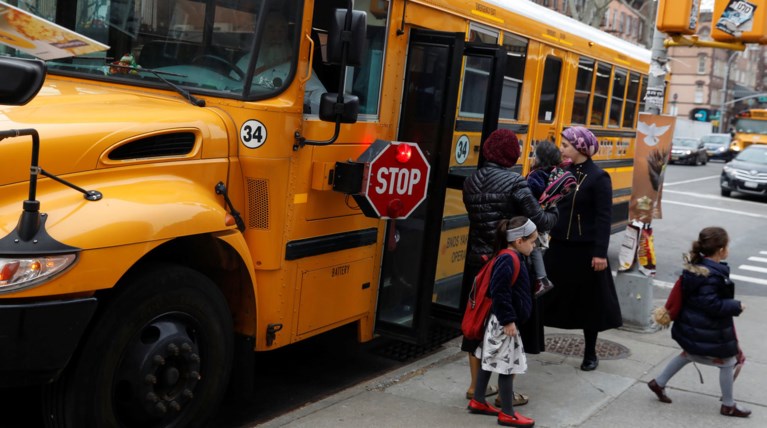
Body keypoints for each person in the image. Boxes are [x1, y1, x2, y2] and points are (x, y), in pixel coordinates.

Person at [462, 129, 559, 406]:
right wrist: (554, 209)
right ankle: (506, 394)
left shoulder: (470, 181)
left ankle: (474, 387)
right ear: (510, 155)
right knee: (513, 327)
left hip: (478, 263)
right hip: (511, 263)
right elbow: (539, 220)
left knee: (478, 324)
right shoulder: (515, 182)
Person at [541, 126, 622, 371]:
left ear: (580, 148)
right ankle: (529, 340)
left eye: (566, 145)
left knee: (590, 303)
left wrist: (600, 253)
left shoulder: (599, 177)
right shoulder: (559, 172)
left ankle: (590, 353)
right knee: (541, 295)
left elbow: (603, 218)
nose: (562, 149)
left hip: (585, 251)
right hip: (559, 247)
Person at [647, 227, 750, 418]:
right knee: (728, 361)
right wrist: (736, 306)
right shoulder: (711, 274)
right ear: (721, 250)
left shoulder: (698, 267)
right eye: (727, 245)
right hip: (705, 327)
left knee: (689, 354)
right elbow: (710, 304)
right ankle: (728, 405)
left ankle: (658, 383)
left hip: (693, 325)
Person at [467, 217, 538, 428]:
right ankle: (508, 413)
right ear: (519, 241)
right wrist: (509, 320)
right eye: (532, 242)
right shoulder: (509, 259)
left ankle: (479, 400)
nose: (534, 246)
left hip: (498, 322)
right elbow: (499, 292)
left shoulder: (510, 256)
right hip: (504, 324)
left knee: (489, 359)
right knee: (508, 366)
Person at [236, 11, 326, 114]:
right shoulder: (246, 62)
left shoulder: (300, 65)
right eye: (271, 29)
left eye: (282, 29)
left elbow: (319, 96)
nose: (277, 35)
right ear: (261, 32)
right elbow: (229, 87)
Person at [525, 140, 576, 297]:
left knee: (532, 251)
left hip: (533, 220)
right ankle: (540, 279)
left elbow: (532, 193)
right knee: (538, 250)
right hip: (547, 220)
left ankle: (541, 279)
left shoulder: (536, 175)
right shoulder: (556, 174)